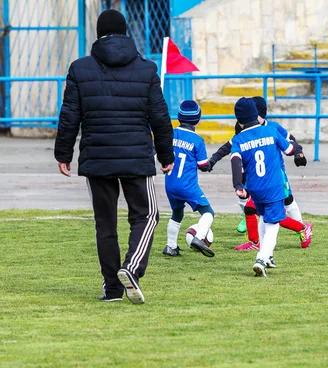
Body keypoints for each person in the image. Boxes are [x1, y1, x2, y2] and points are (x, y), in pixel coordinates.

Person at [54, 10, 174, 304]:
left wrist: (63, 153)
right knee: (147, 216)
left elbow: (70, 115)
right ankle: (131, 269)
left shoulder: (79, 68)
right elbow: (159, 116)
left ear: (98, 33)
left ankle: (112, 289)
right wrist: (166, 154)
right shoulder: (147, 69)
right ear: (125, 32)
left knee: (105, 223)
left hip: (97, 156)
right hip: (136, 155)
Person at [204, 96, 312, 250]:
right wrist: (213, 160)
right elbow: (228, 147)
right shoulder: (245, 129)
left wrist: (298, 154)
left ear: (260, 114)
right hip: (256, 178)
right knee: (253, 209)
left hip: (276, 176)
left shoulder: (273, 128)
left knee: (286, 204)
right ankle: (256, 242)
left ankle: (301, 229)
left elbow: (292, 142)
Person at [229, 97, 296, 277]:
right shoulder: (271, 130)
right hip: (273, 186)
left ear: (239, 119)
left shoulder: (238, 139)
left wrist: (238, 185)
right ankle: (261, 258)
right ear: (256, 114)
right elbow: (289, 150)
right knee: (273, 224)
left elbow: (236, 161)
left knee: (264, 218)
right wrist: (298, 151)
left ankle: (267, 255)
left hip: (254, 188)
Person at [163, 100, 215, 258]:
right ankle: (199, 238)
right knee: (207, 212)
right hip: (187, 185)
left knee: (177, 212)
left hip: (170, 183)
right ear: (198, 119)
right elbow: (203, 165)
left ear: (179, 117)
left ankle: (170, 246)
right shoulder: (197, 140)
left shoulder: (170, 133)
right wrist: (210, 164)